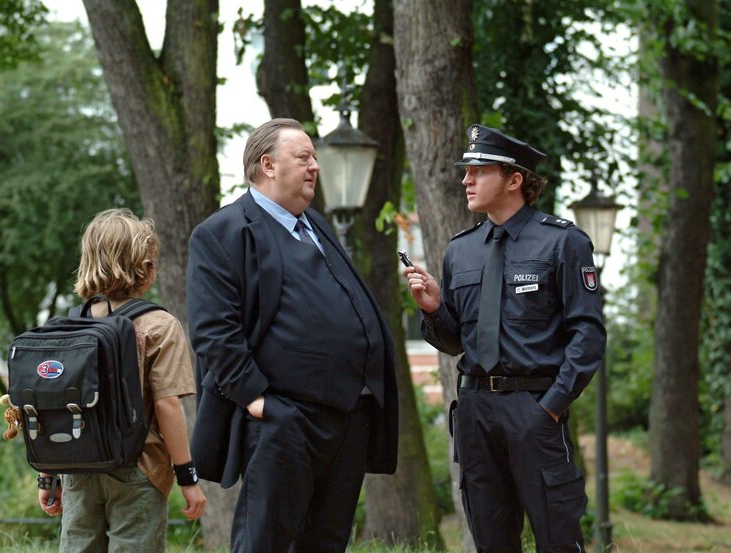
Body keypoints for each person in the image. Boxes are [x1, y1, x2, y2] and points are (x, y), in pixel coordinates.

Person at [187, 118, 398, 553]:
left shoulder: (315, 225)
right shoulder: (222, 233)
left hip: (346, 420)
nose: (315, 167)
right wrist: (259, 402)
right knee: (267, 543)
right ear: (268, 164)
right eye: (304, 157)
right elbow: (213, 332)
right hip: (283, 422)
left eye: (315, 158)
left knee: (327, 542)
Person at [403, 125, 606, 552]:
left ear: (515, 180)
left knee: (558, 539)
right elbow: (456, 342)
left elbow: (587, 336)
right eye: (466, 171)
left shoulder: (562, 242)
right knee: (491, 542)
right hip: (475, 413)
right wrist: (433, 309)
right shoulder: (461, 250)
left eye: (478, 170)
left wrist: (550, 407)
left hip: (534, 409)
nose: (466, 180)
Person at [38, 208, 207, 552]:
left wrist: (48, 475)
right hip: (140, 469)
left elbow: (51, 405)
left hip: (79, 467)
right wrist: (187, 477)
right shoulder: (160, 325)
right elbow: (167, 406)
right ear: (145, 269)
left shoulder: (69, 329)